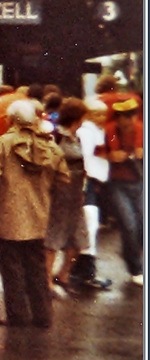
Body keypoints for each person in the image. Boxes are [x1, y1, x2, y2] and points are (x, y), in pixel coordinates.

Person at [0, 99, 69, 328]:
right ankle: (43, 316)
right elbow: (64, 180)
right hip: (39, 215)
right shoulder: (50, 146)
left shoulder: (1, 145)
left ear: (12, 120)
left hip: (7, 214)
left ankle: (17, 315)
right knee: (37, 266)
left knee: (11, 267)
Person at [44, 98, 89, 296]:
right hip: (59, 193)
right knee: (54, 237)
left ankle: (63, 274)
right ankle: (47, 282)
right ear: (76, 117)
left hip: (75, 193)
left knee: (79, 239)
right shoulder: (56, 136)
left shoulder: (75, 137)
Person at [70, 98, 113, 290]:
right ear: (87, 114)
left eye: (103, 114)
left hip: (96, 183)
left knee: (90, 225)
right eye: (97, 114)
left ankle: (82, 270)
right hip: (88, 183)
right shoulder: (86, 133)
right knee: (90, 224)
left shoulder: (97, 131)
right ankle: (84, 271)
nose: (101, 117)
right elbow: (85, 159)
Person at [104, 95, 143, 286]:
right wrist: (112, 155)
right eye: (122, 117)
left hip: (140, 181)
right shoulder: (111, 130)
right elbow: (107, 151)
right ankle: (135, 267)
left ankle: (131, 251)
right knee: (129, 224)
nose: (126, 121)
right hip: (117, 183)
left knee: (142, 224)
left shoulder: (141, 128)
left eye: (129, 117)